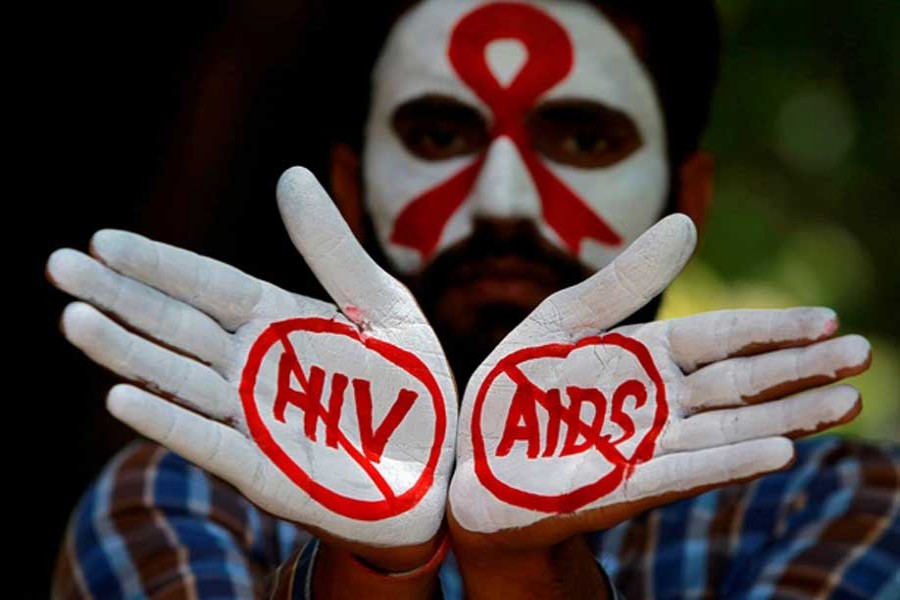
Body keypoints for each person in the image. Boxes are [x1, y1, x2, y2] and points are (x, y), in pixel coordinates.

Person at [47, 0, 899, 598]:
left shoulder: (828, 503)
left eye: (583, 136)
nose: (503, 199)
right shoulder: (179, 494)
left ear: (691, 197)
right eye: (439, 133)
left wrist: (523, 572)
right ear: (350, 188)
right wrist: (372, 565)